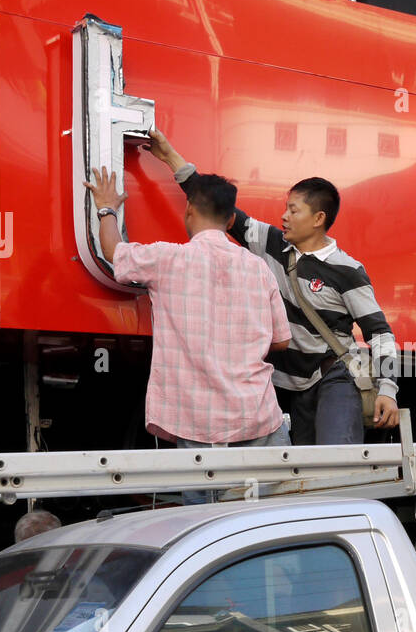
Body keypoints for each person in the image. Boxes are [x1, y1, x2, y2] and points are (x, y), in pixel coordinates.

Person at [141, 130, 399, 445]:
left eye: (293, 210)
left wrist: (387, 390)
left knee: (336, 462)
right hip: (289, 384)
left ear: (318, 218)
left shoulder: (348, 270)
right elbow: (215, 205)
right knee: (299, 473)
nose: (283, 216)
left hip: (334, 375)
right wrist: (168, 156)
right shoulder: (272, 243)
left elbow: (381, 333)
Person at [84, 167, 292, 472]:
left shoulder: (167, 259)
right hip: (257, 414)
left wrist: (107, 208)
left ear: (189, 209)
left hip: (198, 421)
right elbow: (282, 340)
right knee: (273, 513)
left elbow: (114, 251)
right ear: (231, 220)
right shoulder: (259, 268)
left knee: (206, 514)